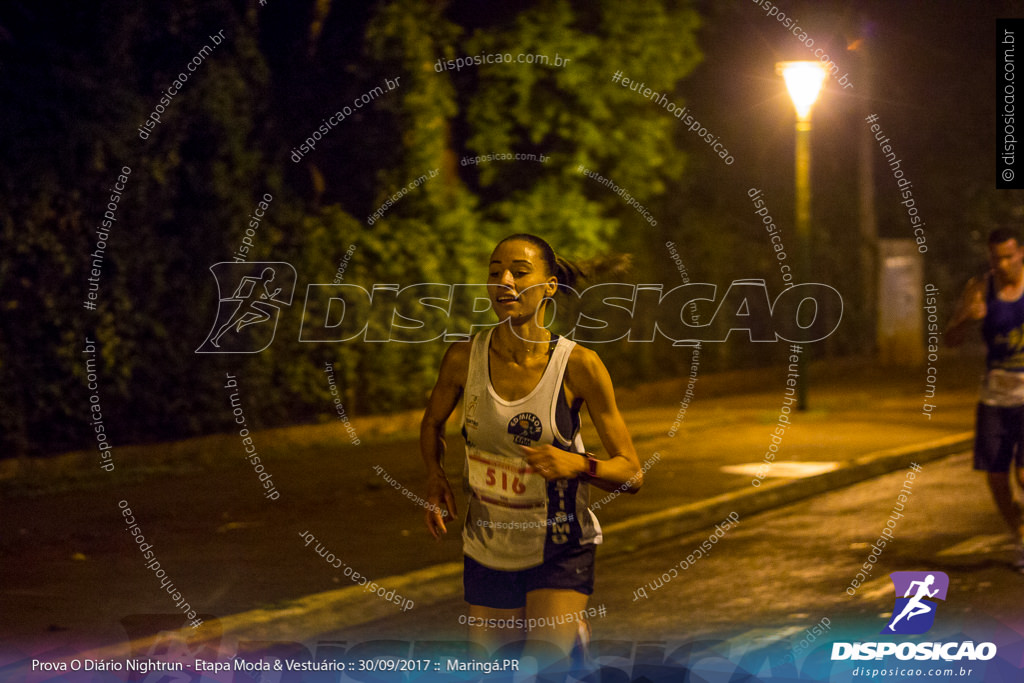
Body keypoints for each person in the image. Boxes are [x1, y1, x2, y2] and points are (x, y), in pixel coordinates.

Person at [420, 233, 643, 663]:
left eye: (519, 273)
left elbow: (631, 472)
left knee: (542, 668)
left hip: (561, 546)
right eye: (494, 272)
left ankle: (568, 633)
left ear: (549, 287)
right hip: (488, 544)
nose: (504, 280)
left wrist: (577, 464)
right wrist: (435, 477)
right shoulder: (462, 358)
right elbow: (432, 422)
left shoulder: (579, 366)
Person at [946, 227, 1024, 571]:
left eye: (1009, 256)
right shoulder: (980, 289)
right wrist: (966, 317)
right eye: (996, 258)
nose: (1003, 264)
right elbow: (950, 339)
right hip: (994, 397)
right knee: (995, 478)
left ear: (1020, 253)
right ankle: (1020, 533)